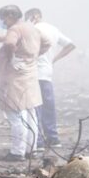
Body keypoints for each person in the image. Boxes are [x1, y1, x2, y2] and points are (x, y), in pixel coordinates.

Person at [0, 5, 50, 162]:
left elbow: (9, 43)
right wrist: (32, 56)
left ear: (10, 16)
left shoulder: (15, 29)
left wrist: (12, 57)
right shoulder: (31, 28)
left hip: (15, 77)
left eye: (3, 18)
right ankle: (30, 149)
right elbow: (47, 42)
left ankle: (17, 152)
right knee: (30, 111)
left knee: (16, 114)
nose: (2, 22)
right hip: (29, 74)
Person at [24, 8, 75, 149]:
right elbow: (70, 45)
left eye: (27, 17)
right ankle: (53, 138)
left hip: (33, 72)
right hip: (47, 73)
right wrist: (54, 59)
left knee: (35, 107)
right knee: (48, 106)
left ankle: (38, 141)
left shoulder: (32, 29)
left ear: (35, 16)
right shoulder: (53, 29)